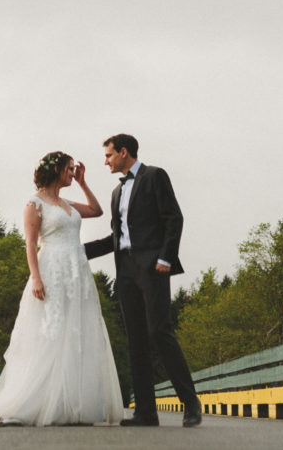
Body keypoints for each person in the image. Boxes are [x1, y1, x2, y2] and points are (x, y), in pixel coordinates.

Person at [0, 152, 124, 427]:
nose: (72, 172)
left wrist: (83, 183)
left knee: (75, 331)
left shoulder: (66, 203)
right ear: (55, 170)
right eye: (69, 169)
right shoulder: (35, 203)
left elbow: (97, 210)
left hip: (76, 273)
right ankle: (32, 402)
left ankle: (70, 405)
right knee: (48, 331)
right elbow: (30, 244)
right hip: (51, 269)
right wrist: (36, 278)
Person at [84, 134, 202, 427]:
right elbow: (117, 237)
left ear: (124, 152)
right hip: (124, 270)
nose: (106, 161)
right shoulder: (115, 192)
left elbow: (174, 218)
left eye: (109, 155)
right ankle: (146, 412)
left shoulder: (154, 176)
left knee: (160, 331)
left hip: (152, 267)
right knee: (135, 337)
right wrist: (79, 251)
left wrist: (165, 257)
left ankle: (191, 404)